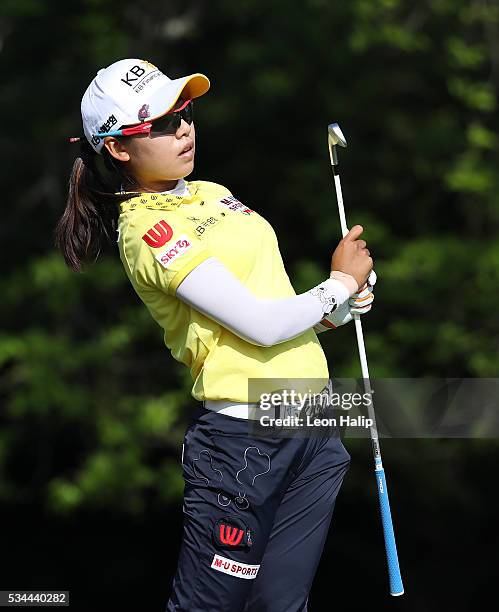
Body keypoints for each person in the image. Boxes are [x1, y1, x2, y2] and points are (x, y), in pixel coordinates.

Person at [56, 58, 375, 612]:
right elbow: (259, 324)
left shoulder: (211, 191)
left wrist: (337, 309)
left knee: (281, 606)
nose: (182, 128)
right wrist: (338, 283)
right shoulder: (146, 231)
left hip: (315, 424)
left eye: (185, 111)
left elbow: (270, 309)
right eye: (158, 123)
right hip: (245, 441)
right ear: (117, 147)